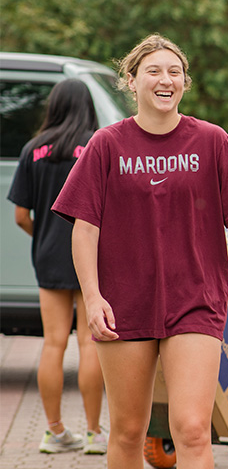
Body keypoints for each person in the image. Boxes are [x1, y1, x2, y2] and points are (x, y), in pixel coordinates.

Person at [51, 34, 228, 469]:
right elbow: (84, 230)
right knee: (128, 432)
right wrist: (94, 297)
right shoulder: (107, 144)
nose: (165, 79)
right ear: (131, 80)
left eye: (174, 72)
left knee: (193, 429)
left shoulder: (212, 141)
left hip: (194, 298)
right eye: (153, 71)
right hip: (124, 303)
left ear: (185, 83)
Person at [6, 79, 107, 454]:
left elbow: (20, 214)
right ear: (87, 106)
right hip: (92, 256)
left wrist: (43, 236)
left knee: (53, 344)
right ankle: (96, 434)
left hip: (48, 255)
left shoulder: (33, 149)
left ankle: (54, 432)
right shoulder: (97, 144)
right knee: (90, 342)